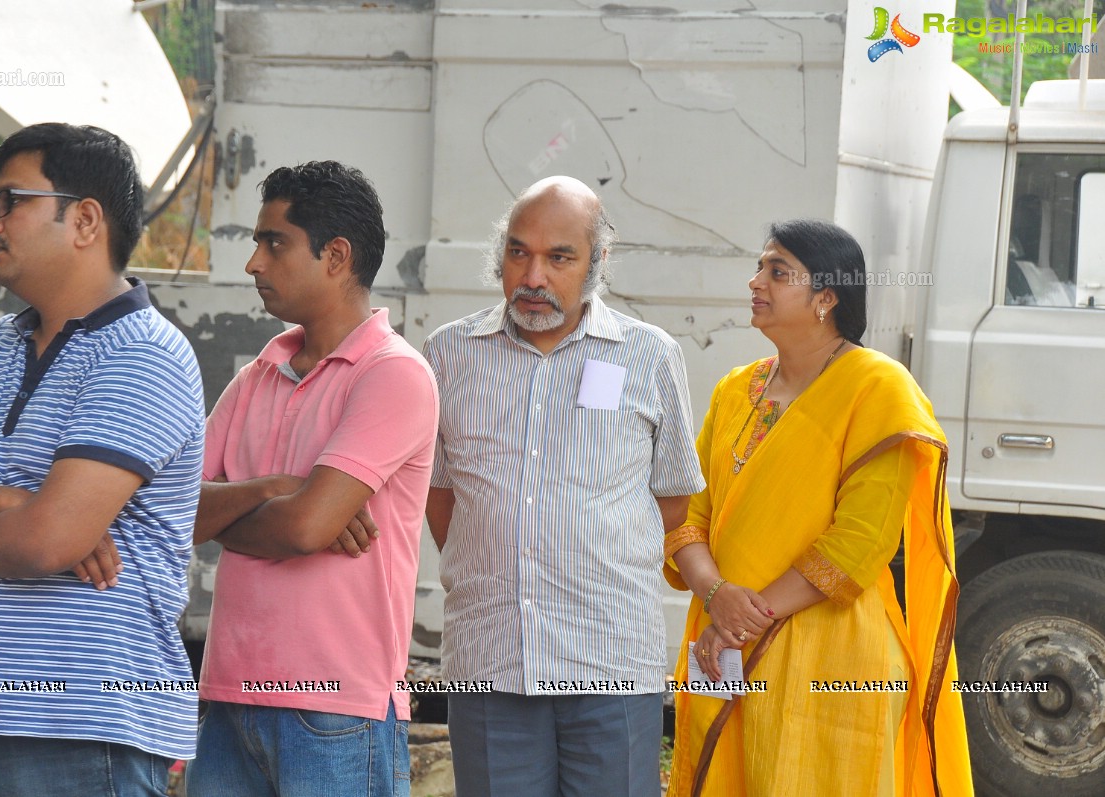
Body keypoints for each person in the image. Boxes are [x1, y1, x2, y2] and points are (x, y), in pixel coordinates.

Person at [0, 123, 204, 796]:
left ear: (85, 220)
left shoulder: (143, 353)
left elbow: (48, 541)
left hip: (80, 726)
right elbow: (33, 525)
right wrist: (9, 501)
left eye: (11, 200)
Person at [663, 219, 973, 796]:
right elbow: (688, 516)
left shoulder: (878, 388)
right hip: (723, 644)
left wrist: (740, 620)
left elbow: (861, 539)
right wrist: (716, 598)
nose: (756, 282)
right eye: (759, 268)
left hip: (828, 655)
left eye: (777, 272)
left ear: (826, 298)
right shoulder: (737, 389)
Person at [424, 175, 705, 797]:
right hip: (491, 662)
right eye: (518, 251)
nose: (533, 275)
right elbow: (440, 495)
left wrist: (587, 549)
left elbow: (672, 498)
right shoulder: (448, 355)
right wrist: (499, 558)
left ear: (596, 264)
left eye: (560, 257)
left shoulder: (648, 355)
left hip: (609, 665)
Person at [187, 161, 438, 797]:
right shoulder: (256, 377)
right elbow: (171, 512)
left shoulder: (393, 375)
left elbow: (306, 528)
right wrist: (274, 487)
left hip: (335, 707)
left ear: (336, 255)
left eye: (274, 242)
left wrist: (267, 510)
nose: (254, 263)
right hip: (229, 695)